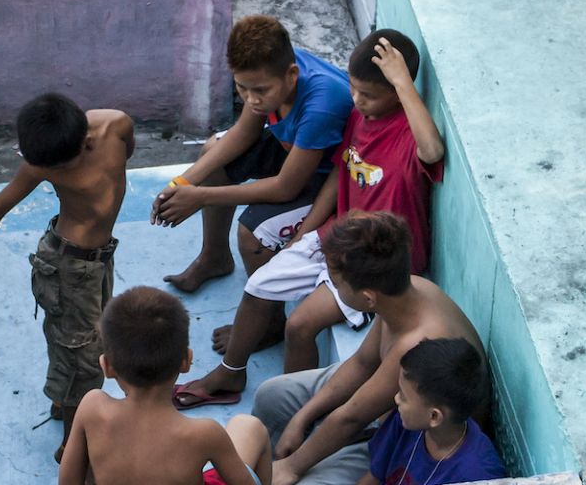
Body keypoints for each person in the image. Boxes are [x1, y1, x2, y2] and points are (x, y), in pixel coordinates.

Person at [174, 30, 444, 407]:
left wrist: (402, 82)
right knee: (259, 287)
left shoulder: (406, 132)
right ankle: (230, 373)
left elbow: (432, 151)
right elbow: (339, 173)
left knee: (300, 326)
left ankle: (290, 407)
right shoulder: (359, 118)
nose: (357, 101)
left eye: (368, 95)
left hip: (375, 262)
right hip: (337, 233)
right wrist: (308, 229)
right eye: (354, 90)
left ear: (399, 91)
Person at [0, 93, 136, 459]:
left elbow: (125, 153)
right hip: (67, 268)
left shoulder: (116, 124)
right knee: (83, 356)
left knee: (94, 336)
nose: (58, 174)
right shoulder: (43, 162)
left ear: (86, 140)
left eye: (64, 167)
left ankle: (65, 403)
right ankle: (74, 445)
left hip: (101, 258)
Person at [250, 211, 484, 485]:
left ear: (368, 298)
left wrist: (294, 466)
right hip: (383, 403)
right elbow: (362, 363)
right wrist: (303, 416)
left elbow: (353, 417)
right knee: (271, 395)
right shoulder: (404, 292)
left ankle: (278, 478)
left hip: (403, 430)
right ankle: (268, 469)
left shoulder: (417, 341)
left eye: (337, 283)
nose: (333, 288)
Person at [61, 287, 270, 485]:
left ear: (107, 366)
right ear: (186, 360)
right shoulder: (203, 434)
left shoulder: (91, 407)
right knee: (249, 426)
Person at [153, 16, 351, 297]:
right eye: (241, 87)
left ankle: (269, 320)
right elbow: (243, 134)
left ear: (292, 75)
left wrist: (200, 197)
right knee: (211, 154)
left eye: (259, 91)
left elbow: (286, 188)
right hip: (294, 151)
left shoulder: (322, 104)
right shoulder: (269, 75)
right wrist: (180, 184)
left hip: (328, 178)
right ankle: (215, 257)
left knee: (252, 234)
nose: (251, 99)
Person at [350, 337, 505, 485]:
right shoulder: (405, 421)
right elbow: (373, 477)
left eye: (403, 396)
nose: (396, 399)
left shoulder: (477, 476)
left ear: (434, 417)